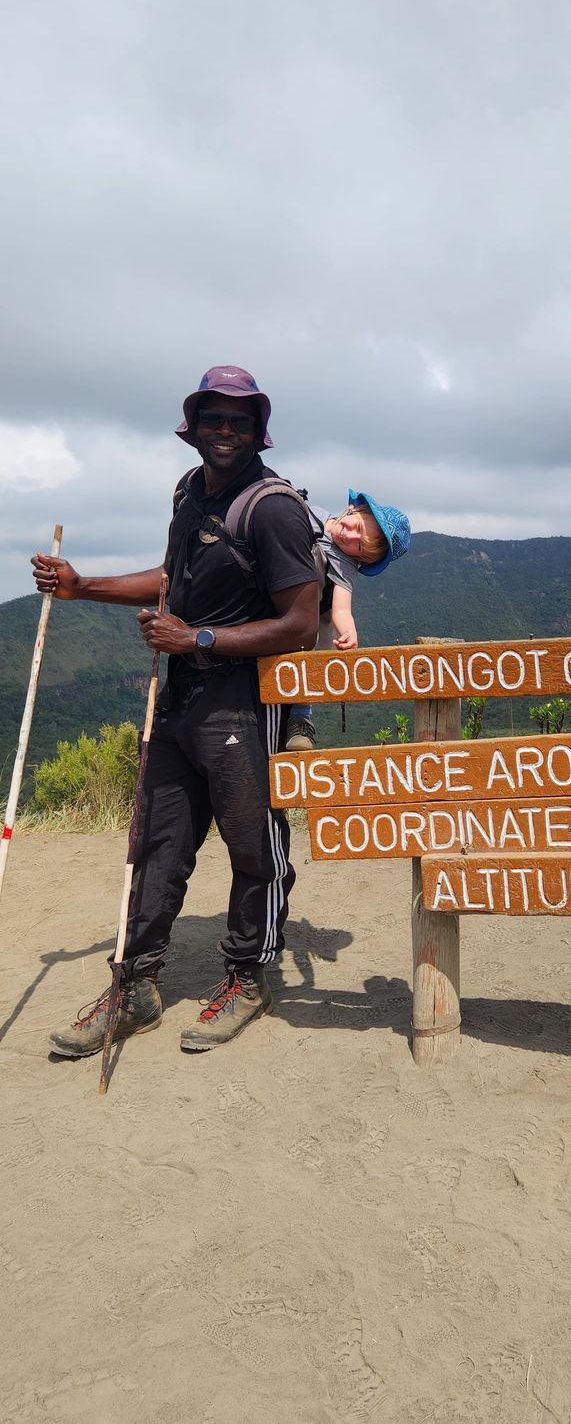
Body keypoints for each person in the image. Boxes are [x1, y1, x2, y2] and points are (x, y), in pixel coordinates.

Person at [33, 367, 321, 1057]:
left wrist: (195, 637)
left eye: (239, 421)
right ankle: (133, 985)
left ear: (258, 431)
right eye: (214, 419)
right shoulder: (188, 493)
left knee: (254, 848)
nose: (226, 432)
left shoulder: (271, 507)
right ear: (191, 426)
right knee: (158, 844)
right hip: (183, 697)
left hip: (244, 702)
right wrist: (83, 588)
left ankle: (247, 979)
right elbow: (173, 578)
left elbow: (301, 624)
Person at [285, 490, 411, 751]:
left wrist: (349, 633)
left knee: (309, 662)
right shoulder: (308, 512)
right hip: (273, 600)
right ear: (356, 509)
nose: (350, 536)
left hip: (308, 628)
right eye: (359, 527)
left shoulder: (345, 563)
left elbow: (341, 610)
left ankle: (300, 718)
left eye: (360, 546)